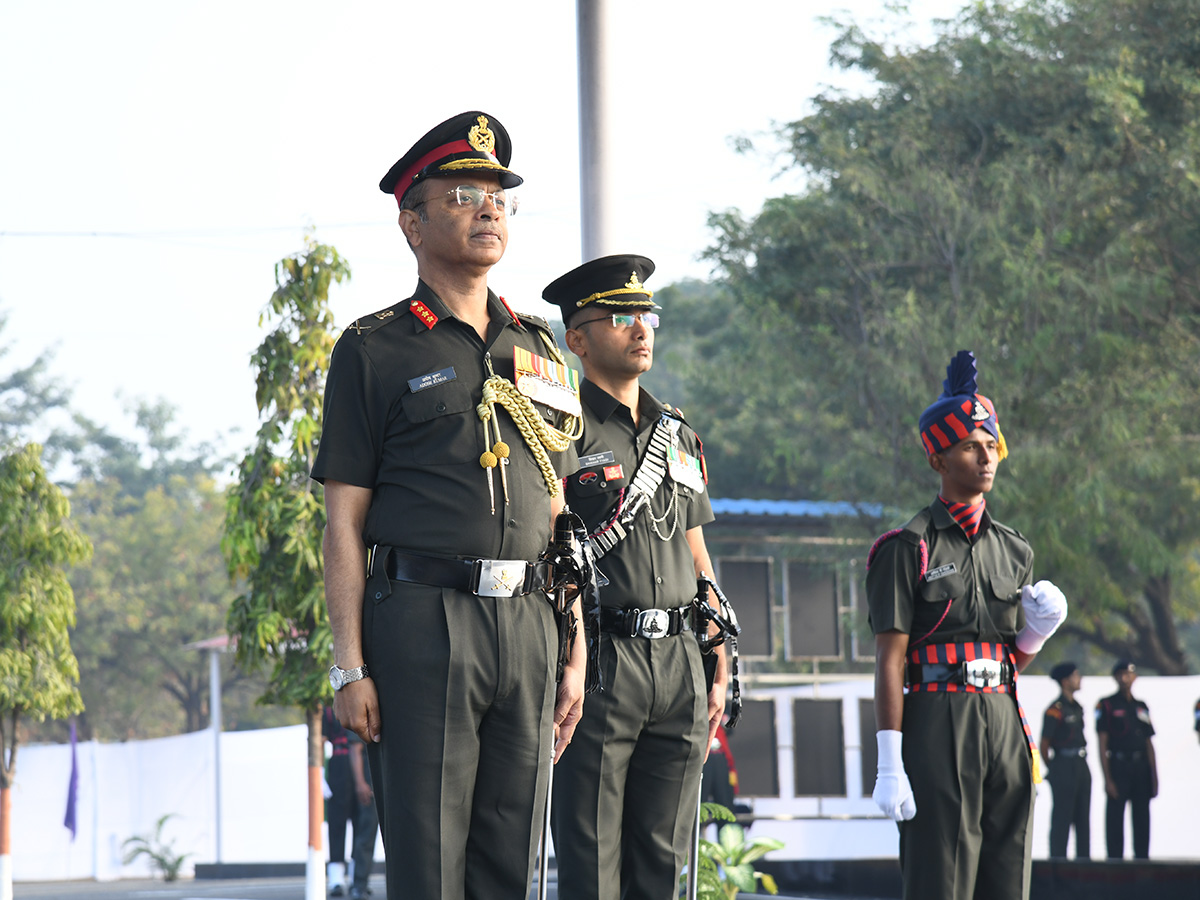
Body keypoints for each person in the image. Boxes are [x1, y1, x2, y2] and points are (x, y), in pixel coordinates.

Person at [312, 110, 586, 900]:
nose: (488, 208)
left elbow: (559, 510)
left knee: (511, 863)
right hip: (424, 623)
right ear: (412, 221)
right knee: (429, 864)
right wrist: (350, 664)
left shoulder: (538, 348)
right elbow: (344, 524)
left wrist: (573, 650)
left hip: (531, 625)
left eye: (499, 195)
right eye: (462, 193)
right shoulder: (374, 348)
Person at [542, 255, 728, 900]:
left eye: (646, 315)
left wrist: (719, 651)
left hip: (679, 660)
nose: (640, 329)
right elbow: (550, 549)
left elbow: (697, 553)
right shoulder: (557, 428)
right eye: (620, 317)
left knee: (664, 860)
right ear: (577, 338)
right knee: (592, 860)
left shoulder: (678, 435)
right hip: (601, 661)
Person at [866, 349, 1068, 900]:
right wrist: (889, 761)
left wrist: (1037, 633)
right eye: (971, 447)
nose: (987, 458)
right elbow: (889, 659)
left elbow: (1009, 658)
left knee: (1009, 877)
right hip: (937, 722)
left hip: (1004, 720)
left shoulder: (1014, 549)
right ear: (939, 460)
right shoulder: (907, 546)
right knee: (942, 879)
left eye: (991, 447)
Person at [1096, 659, 1157, 859]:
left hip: (1140, 767)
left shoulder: (1141, 706)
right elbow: (1102, 743)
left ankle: (1142, 863)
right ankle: (1115, 865)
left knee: (1142, 820)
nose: (1125, 678)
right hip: (1118, 766)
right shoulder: (1106, 704)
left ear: (1134, 677)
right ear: (1115, 677)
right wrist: (1108, 779)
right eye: (1120, 674)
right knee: (1114, 821)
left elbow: (1149, 742)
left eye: (1128, 674)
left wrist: (1154, 776)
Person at [1039, 662, 1090, 858]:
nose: (1079, 679)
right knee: (1062, 819)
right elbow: (1044, 745)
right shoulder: (1055, 709)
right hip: (1063, 765)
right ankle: (1057, 865)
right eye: (1075, 675)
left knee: (1083, 820)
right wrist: (1055, 769)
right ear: (1065, 681)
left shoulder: (1076, 707)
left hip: (1081, 763)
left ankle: (1085, 866)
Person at [322, 704, 354, 896]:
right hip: (339, 766)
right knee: (337, 823)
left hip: (362, 763)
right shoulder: (328, 709)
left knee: (363, 822)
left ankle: (358, 876)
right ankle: (336, 879)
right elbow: (321, 740)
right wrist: (319, 775)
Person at [346, 733, 380, 900]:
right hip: (370, 787)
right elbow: (355, 748)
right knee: (365, 838)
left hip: (388, 785)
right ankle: (359, 885)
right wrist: (360, 783)